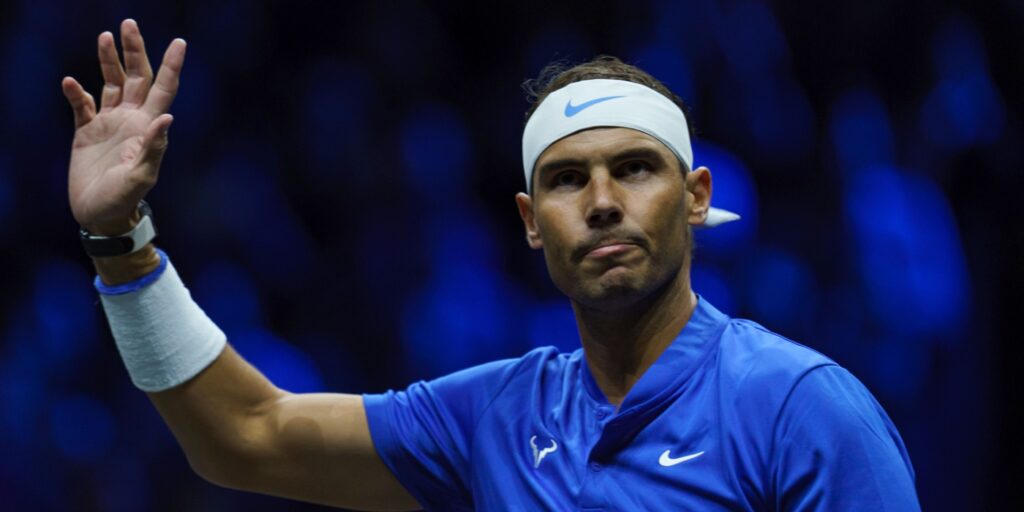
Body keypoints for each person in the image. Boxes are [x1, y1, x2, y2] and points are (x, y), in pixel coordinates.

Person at [63, 19, 920, 511]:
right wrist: (120, 241)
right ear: (531, 222)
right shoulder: (496, 416)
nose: (602, 201)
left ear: (695, 197)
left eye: (635, 168)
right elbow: (245, 436)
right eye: (566, 180)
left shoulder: (803, 411)